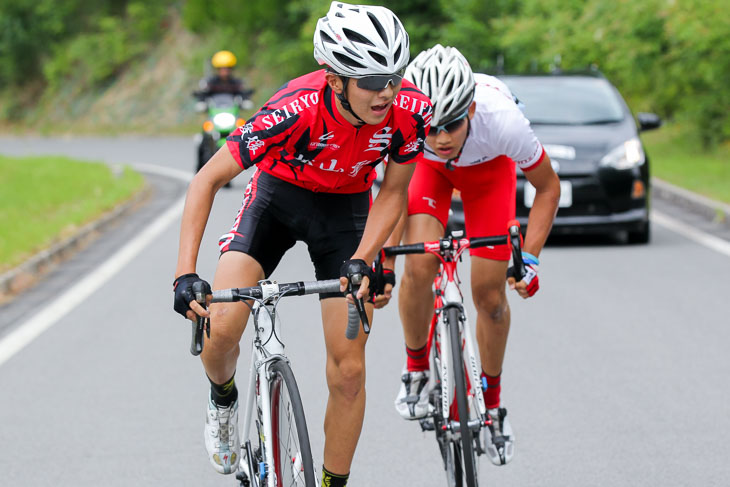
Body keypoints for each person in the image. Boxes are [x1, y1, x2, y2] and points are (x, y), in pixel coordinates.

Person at [172, 3, 431, 485]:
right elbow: (206, 180)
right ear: (336, 79)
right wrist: (185, 273)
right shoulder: (293, 109)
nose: (387, 92)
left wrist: (363, 258)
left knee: (350, 369)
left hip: (346, 212)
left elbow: (394, 192)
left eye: (394, 76)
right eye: (372, 80)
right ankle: (223, 396)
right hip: (277, 200)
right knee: (224, 326)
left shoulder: (411, 110)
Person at [387, 44, 560, 466]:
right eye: (431, 127)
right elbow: (391, 196)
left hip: (488, 172)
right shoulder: (402, 119)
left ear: (471, 111)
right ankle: (416, 368)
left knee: (490, 297)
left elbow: (548, 188)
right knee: (419, 265)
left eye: (451, 125)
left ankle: (494, 403)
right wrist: (384, 263)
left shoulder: (502, 120)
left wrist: (530, 259)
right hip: (427, 174)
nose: (441, 138)